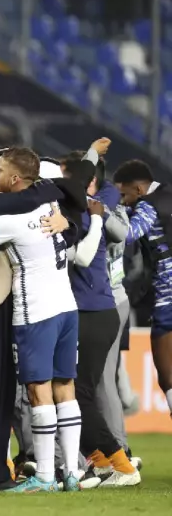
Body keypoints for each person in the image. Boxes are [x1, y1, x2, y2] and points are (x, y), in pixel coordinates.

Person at [0, 148, 80, 494]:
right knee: (66, 388)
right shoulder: (52, 207)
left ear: (14, 179)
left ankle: (45, 476)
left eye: (0, 169)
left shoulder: (7, 221)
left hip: (36, 312)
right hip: (67, 306)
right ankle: (72, 473)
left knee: (38, 390)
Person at [61, 155, 140, 487]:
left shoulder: (84, 215)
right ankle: (101, 460)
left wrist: (95, 219)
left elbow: (80, 255)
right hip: (93, 311)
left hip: (93, 312)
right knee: (74, 389)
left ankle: (120, 464)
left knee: (78, 391)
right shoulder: (84, 212)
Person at [113, 160, 172, 432]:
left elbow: (128, 234)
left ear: (138, 189)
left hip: (167, 300)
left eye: (124, 195)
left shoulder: (147, 205)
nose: (123, 202)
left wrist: (101, 213)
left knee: (167, 374)